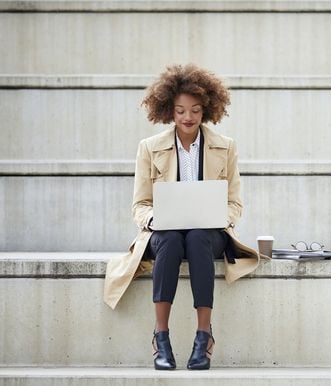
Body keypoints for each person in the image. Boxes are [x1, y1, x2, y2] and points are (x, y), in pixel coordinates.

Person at [103, 64, 263, 370]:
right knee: (172, 239)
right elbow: (140, 204)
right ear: (168, 111)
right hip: (164, 233)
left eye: (195, 110)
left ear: (207, 110)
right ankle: (160, 336)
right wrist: (155, 219)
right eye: (179, 111)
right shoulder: (149, 148)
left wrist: (221, 217)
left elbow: (235, 202)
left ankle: (204, 336)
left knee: (199, 237)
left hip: (209, 233)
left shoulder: (225, 147)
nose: (187, 117)